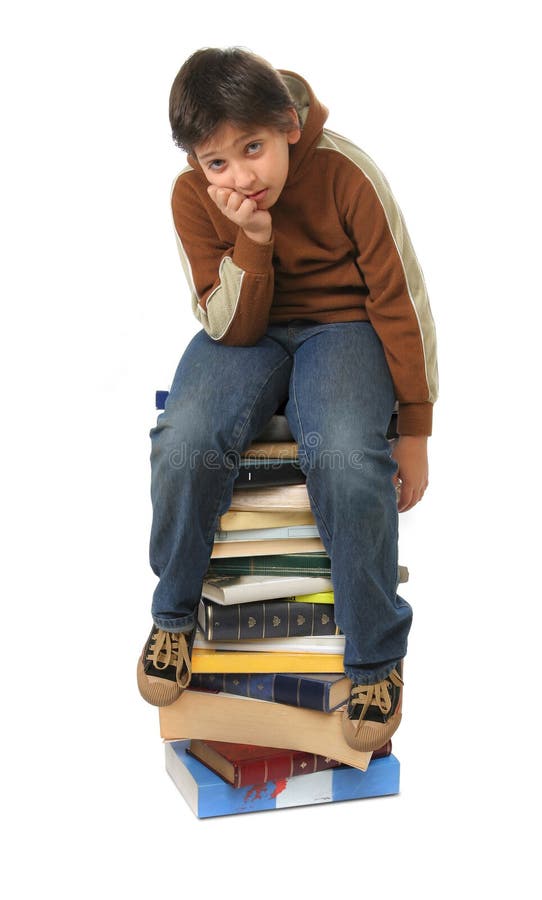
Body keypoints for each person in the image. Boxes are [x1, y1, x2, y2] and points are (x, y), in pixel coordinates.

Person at [137, 47, 438, 752]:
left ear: (289, 127)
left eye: (253, 148)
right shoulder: (194, 199)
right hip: (247, 326)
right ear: (195, 164)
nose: (240, 176)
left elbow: (402, 300)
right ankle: (174, 616)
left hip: (346, 326)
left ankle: (374, 660)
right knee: (182, 438)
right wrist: (252, 241)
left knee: (342, 454)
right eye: (218, 162)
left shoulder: (345, 173)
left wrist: (416, 428)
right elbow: (228, 323)